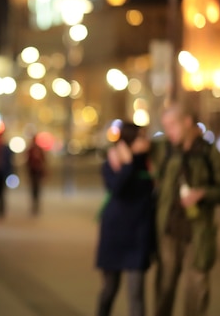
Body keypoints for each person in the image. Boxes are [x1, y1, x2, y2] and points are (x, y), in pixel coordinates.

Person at [150, 101, 220, 316]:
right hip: (169, 230)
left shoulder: (207, 152)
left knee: (196, 288)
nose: (168, 131)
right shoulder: (166, 149)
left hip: (198, 232)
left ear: (187, 122)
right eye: (165, 126)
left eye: (172, 125)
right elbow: (136, 146)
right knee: (164, 288)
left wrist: (203, 193)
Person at [95, 121, 156, 316]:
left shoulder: (150, 162)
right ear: (129, 141)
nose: (146, 140)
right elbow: (116, 189)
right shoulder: (113, 163)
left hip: (139, 235)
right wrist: (128, 164)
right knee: (109, 289)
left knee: (136, 293)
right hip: (115, 234)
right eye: (141, 137)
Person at [26, 133, 47, 216]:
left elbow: (44, 161)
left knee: (38, 189)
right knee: (33, 190)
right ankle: (34, 205)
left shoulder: (39, 149)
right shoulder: (30, 150)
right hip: (32, 172)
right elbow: (28, 162)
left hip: (38, 172)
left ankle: (36, 205)